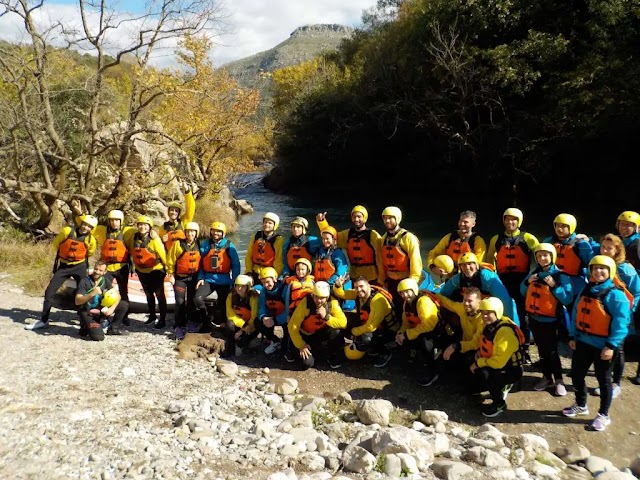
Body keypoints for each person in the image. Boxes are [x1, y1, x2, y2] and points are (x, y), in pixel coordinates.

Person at [562, 255, 630, 432]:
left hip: (603, 346)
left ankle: (603, 415)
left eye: (603, 268)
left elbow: (621, 324)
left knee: (604, 380)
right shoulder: (587, 289)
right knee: (576, 374)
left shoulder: (616, 295)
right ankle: (581, 404)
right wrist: (572, 335)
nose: (598, 271)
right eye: (595, 268)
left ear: (610, 271)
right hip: (583, 341)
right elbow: (576, 312)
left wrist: (611, 346)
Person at [26, 214, 98, 330]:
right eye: (84, 224)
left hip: (80, 266)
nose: (85, 228)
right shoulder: (67, 231)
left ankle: (84, 321)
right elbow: (56, 244)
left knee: (83, 293)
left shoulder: (91, 240)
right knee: (49, 291)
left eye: (89, 226)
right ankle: (43, 321)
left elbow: (90, 253)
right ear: (81, 223)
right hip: (64, 266)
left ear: (92, 229)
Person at [487, 208, 540, 360]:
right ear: (503, 220)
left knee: (524, 316)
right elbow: (489, 260)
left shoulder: (528, 238)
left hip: (522, 281)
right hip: (502, 281)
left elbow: (542, 257)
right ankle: (503, 343)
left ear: (519, 221)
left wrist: (533, 276)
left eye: (514, 219)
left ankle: (525, 349)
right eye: (507, 219)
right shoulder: (496, 239)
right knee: (503, 313)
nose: (510, 222)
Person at [521, 243, 573, 396]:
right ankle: (546, 377)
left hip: (551, 321)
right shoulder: (534, 273)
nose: (542, 258)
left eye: (545, 255)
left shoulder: (561, 275)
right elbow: (522, 291)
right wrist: (527, 282)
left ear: (552, 257)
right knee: (541, 350)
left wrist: (555, 286)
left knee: (551, 351)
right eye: (539, 256)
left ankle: (558, 380)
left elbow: (567, 298)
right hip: (535, 319)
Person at [595, 233, 640, 395]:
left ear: (618, 250)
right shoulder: (599, 264)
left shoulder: (625, 269)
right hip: (603, 313)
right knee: (605, 345)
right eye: (603, 247)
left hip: (621, 313)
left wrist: (628, 312)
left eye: (610, 248)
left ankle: (615, 384)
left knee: (618, 348)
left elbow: (637, 292)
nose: (605, 251)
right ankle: (605, 377)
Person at [470, 297, 525, 417]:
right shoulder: (489, 325)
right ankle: (490, 388)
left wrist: (478, 363)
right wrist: (479, 351)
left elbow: (498, 363)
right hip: (499, 364)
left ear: (497, 312)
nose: (484, 316)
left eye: (488, 313)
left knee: (486, 374)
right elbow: (484, 342)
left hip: (511, 369)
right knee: (477, 367)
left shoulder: (505, 332)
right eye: (483, 313)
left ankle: (500, 403)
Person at [386, 278, 446, 386]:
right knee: (403, 341)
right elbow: (406, 323)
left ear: (414, 290)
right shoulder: (406, 304)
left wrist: (406, 334)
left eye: (407, 291)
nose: (404, 295)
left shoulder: (423, 302)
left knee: (424, 343)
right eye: (401, 293)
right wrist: (400, 333)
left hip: (435, 334)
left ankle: (433, 369)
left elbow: (429, 325)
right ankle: (417, 362)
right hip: (418, 332)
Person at [439, 252, 520, 325]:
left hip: (488, 311)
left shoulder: (487, 277)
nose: (467, 267)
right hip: (471, 309)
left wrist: (512, 325)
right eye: (463, 265)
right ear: (460, 267)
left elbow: (505, 300)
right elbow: (444, 293)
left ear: (476, 265)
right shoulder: (458, 279)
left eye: (470, 264)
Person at [332, 275, 398, 362]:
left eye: (361, 286)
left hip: (386, 330)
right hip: (370, 323)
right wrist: (337, 286)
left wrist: (354, 331)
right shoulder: (358, 293)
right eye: (356, 287)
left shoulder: (378, 300)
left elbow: (371, 326)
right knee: (344, 317)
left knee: (366, 339)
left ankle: (384, 351)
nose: (359, 290)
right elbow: (341, 294)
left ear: (368, 285)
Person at [288, 281, 347, 369]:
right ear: (313, 295)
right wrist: (301, 345)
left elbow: (343, 323)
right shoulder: (306, 303)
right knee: (307, 363)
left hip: (320, 333)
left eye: (322, 298)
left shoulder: (332, 303)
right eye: (316, 296)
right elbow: (292, 326)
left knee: (336, 331)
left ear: (327, 297)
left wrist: (327, 317)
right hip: (306, 335)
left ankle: (331, 354)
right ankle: (292, 347)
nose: (318, 300)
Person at [194, 222, 241, 331]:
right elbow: (199, 263)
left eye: (219, 231)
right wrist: (200, 277)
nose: (216, 233)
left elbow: (236, 265)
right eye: (214, 231)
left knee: (224, 302)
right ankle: (206, 321)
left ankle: (223, 322)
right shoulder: (206, 245)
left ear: (223, 233)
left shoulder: (229, 246)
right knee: (198, 298)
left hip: (224, 280)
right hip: (208, 279)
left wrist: (234, 281)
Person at [316, 205, 382, 284]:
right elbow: (331, 236)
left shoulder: (373, 235)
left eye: (359, 217)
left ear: (365, 218)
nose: (356, 219)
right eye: (354, 217)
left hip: (371, 276)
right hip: (354, 275)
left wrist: (382, 277)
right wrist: (322, 222)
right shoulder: (348, 234)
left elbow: (380, 257)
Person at [93, 209, 136, 327]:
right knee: (104, 291)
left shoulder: (127, 231)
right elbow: (88, 224)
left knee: (123, 292)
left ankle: (124, 316)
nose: (114, 223)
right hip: (108, 267)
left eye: (117, 220)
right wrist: (80, 213)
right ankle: (102, 315)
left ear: (121, 221)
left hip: (122, 267)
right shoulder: (102, 231)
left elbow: (141, 233)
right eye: (112, 220)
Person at [377, 206, 423, 315]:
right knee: (395, 309)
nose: (387, 221)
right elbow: (380, 262)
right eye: (385, 218)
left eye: (390, 218)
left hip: (406, 279)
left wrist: (412, 282)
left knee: (407, 309)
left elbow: (416, 261)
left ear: (397, 219)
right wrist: (381, 281)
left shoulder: (408, 238)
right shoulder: (383, 239)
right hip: (391, 281)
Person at [127, 215, 168, 330]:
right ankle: (152, 315)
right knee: (148, 294)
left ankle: (163, 319)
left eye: (145, 225)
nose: (142, 227)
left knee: (159, 295)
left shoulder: (154, 239)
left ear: (149, 227)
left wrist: (169, 269)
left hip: (156, 270)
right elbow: (132, 251)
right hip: (141, 270)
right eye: (140, 225)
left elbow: (162, 253)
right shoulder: (134, 237)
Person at [436, 287, 485, 379]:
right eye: (465, 300)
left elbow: (476, 343)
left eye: (470, 301)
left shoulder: (483, 318)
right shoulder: (463, 309)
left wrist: (455, 346)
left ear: (479, 301)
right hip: (464, 344)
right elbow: (449, 304)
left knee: (466, 365)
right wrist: (433, 294)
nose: (466, 303)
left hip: (478, 350)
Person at [75, 260, 129, 340]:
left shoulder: (104, 280)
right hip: (87, 311)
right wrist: (92, 294)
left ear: (105, 272)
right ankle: (86, 325)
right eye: (96, 269)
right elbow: (77, 301)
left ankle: (113, 328)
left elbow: (118, 296)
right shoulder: (84, 281)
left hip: (100, 309)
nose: (97, 272)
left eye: (100, 270)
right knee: (98, 337)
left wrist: (111, 309)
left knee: (124, 304)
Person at [166, 222, 201, 340]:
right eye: (188, 232)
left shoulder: (200, 244)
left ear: (196, 233)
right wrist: (170, 274)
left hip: (194, 278)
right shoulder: (178, 244)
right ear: (185, 233)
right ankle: (179, 325)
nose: (190, 234)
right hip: (180, 277)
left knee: (191, 301)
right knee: (180, 301)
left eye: (192, 232)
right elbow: (170, 260)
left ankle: (191, 321)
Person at [542, 213, 594, 293]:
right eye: (557, 226)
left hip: (575, 285)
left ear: (571, 227)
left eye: (563, 226)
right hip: (552, 281)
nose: (559, 229)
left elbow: (591, 265)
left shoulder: (581, 244)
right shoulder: (548, 242)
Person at [282, 258, 315, 361]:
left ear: (308, 271)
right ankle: (290, 351)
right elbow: (287, 299)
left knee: (306, 328)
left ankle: (309, 346)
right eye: (298, 269)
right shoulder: (291, 283)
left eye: (303, 270)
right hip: (294, 311)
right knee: (291, 330)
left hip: (306, 311)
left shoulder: (312, 282)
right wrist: (287, 314)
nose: (300, 272)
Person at [224, 274, 259, 357]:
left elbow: (254, 316)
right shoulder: (231, 296)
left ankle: (248, 342)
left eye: (243, 286)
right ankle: (230, 345)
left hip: (250, 326)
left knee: (242, 342)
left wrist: (243, 330)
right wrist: (243, 325)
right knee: (229, 324)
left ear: (248, 287)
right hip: (241, 324)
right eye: (237, 286)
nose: (239, 289)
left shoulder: (253, 298)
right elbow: (230, 314)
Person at [245, 212, 284, 285]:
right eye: (265, 222)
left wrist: (274, 276)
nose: (266, 225)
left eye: (270, 223)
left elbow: (278, 261)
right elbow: (248, 256)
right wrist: (249, 272)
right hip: (254, 271)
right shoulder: (256, 236)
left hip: (269, 273)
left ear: (275, 225)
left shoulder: (278, 239)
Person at [257, 267, 289, 355]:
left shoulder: (284, 289)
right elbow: (261, 307)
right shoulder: (264, 291)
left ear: (274, 279)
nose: (265, 285)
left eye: (268, 282)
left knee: (285, 349)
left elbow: (289, 310)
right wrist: (263, 317)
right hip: (271, 317)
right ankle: (275, 340)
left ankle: (285, 343)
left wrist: (275, 320)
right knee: (258, 322)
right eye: (263, 283)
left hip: (284, 319)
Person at [158, 183, 196, 253]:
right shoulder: (162, 228)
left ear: (179, 213)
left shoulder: (184, 221)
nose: (174, 212)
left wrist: (187, 191)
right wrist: (162, 241)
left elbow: (191, 208)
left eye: (176, 211)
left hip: (182, 256)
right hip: (170, 258)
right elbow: (159, 246)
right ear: (168, 211)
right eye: (172, 210)